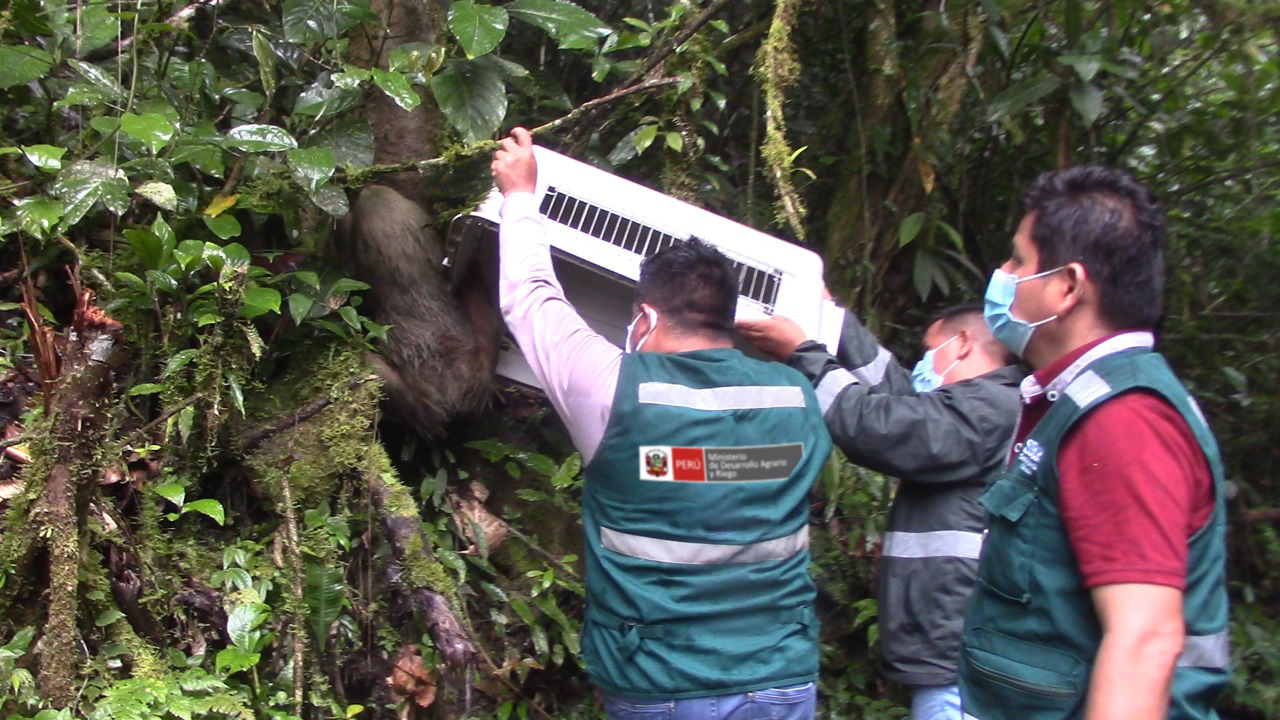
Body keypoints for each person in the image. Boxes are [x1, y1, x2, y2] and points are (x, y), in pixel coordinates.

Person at [491, 127, 833, 719]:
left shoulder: (612, 390)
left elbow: (531, 297)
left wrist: (520, 195)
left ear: (645, 316)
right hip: (783, 681)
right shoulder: (799, 398)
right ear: (732, 320)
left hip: (663, 688)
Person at [957, 166, 1229, 720]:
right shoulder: (1080, 401)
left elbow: (1144, 639)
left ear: (1068, 287)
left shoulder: (1125, 420)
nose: (1002, 274)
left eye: (1018, 260)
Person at [738, 302, 1022, 720]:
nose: (923, 364)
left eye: (929, 351)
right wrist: (831, 316)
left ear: (961, 344)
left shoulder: (989, 409)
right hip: (951, 656)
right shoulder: (974, 407)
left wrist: (802, 353)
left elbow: (879, 425)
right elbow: (897, 394)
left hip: (959, 666)